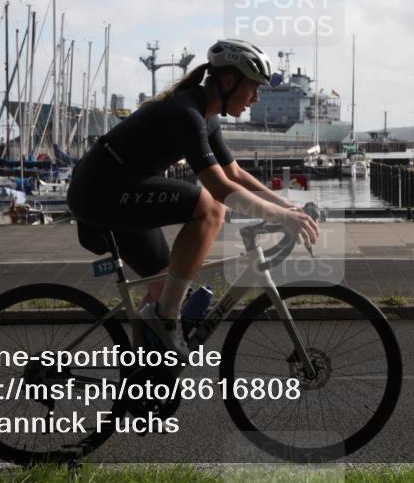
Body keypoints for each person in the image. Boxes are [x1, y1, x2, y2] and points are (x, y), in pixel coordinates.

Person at [68, 39, 319, 355]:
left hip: (122, 190)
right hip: (99, 190)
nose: (256, 97)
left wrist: (287, 205)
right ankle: (167, 319)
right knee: (210, 208)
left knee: (166, 285)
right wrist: (281, 217)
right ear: (229, 81)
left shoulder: (207, 116)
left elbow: (235, 174)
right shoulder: (185, 111)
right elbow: (219, 188)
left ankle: (146, 377)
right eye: (253, 87)